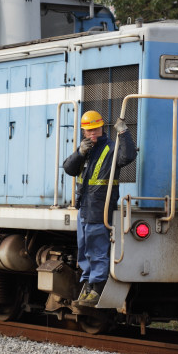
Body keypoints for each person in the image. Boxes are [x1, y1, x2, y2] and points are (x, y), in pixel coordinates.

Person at [63, 110, 137, 307]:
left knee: (97, 250)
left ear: (101, 128)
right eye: (88, 131)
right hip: (84, 208)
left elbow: (128, 156)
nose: (91, 134)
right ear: (84, 132)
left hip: (100, 207)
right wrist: (79, 153)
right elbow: (69, 168)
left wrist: (123, 132)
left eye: (94, 129)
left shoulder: (111, 149)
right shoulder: (84, 152)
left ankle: (97, 289)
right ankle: (87, 286)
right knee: (84, 249)